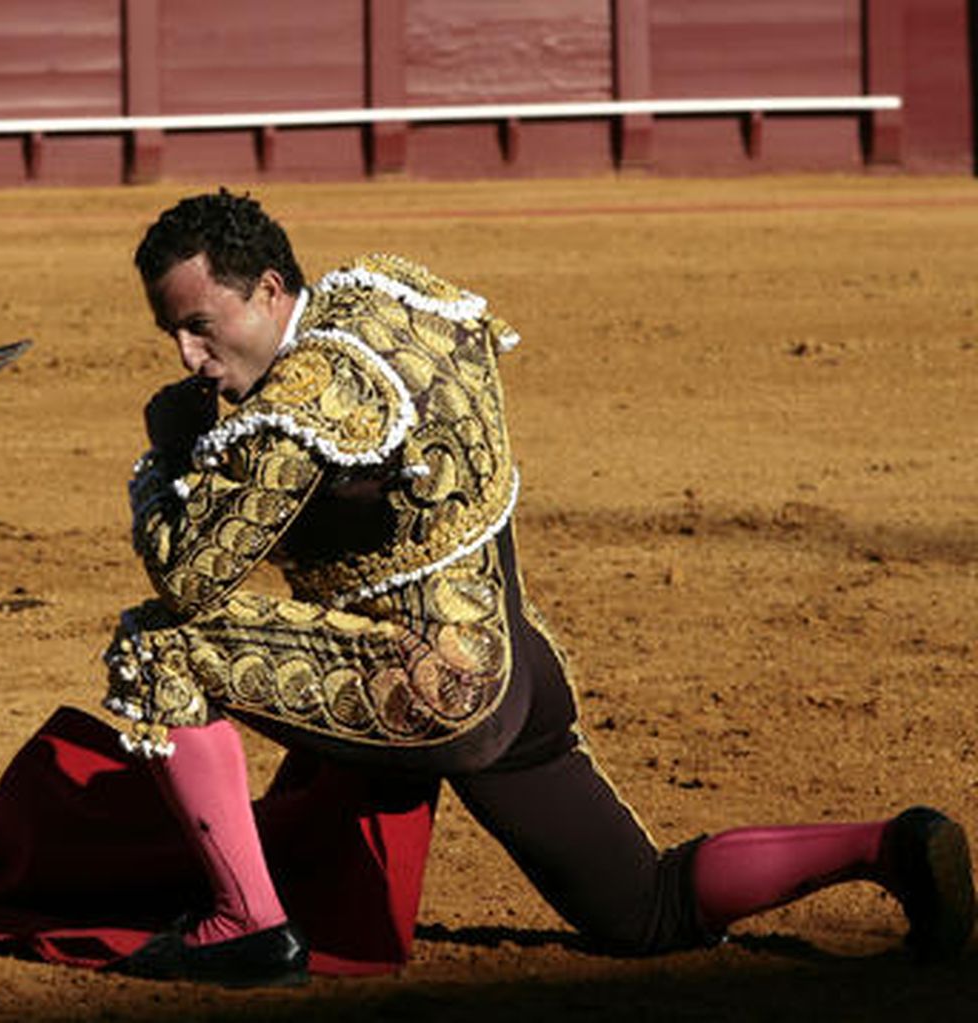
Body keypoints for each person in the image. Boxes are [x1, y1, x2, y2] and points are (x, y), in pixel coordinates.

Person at [98, 188, 975, 987]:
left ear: (270, 289)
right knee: (644, 908)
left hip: (430, 689)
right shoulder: (388, 298)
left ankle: (244, 923)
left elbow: (187, 576)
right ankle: (888, 846)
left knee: (155, 645)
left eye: (204, 326)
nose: (189, 356)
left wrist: (172, 453)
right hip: (518, 666)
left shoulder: (305, 401)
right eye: (175, 334)